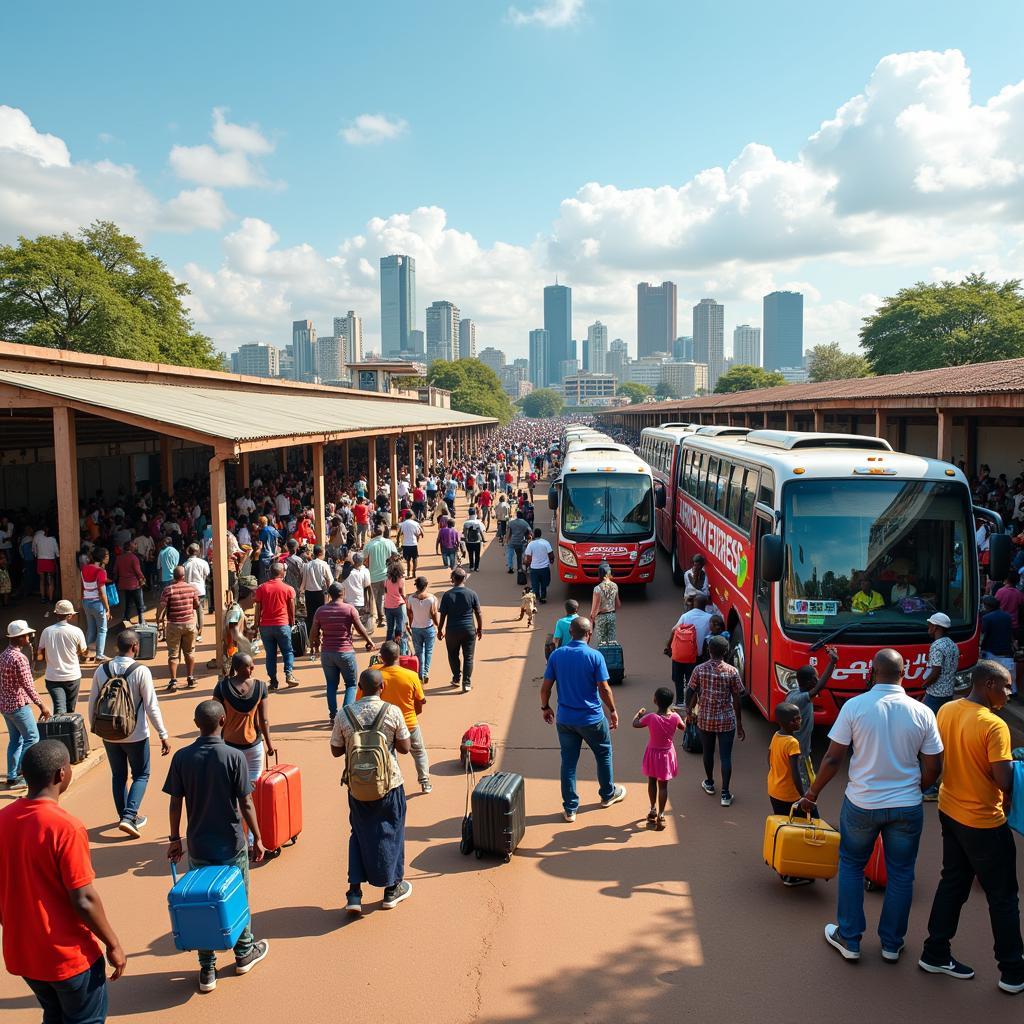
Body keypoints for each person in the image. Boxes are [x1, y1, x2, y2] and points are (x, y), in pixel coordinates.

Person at [798, 648, 943, 964]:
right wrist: (912, 790)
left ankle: (849, 938)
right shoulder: (923, 712)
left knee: (851, 864)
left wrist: (812, 793)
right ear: (904, 673)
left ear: (871, 673)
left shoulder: (855, 706)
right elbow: (934, 767)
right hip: (907, 807)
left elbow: (833, 757)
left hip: (862, 803)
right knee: (902, 873)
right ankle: (892, 944)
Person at [0, 740, 126, 1021]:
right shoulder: (65, 827)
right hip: (67, 958)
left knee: (53, 1014)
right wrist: (113, 943)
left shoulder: (3, 820)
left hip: (23, 955)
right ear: (61, 774)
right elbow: (83, 898)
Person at [918, 661, 1024, 992]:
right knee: (1004, 897)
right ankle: (1013, 972)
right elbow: (1004, 779)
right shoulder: (995, 726)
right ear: (988, 684)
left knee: (953, 882)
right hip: (984, 822)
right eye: (1006, 686)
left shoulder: (948, 710)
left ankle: (935, 951)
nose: (1010, 692)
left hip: (950, 811)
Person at [165, 699, 269, 993]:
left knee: (202, 902)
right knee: (237, 896)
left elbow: (175, 802)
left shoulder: (182, 758)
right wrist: (257, 837)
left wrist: (175, 839)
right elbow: (245, 801)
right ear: (223, 721)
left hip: (198, 844)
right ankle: (243, 953)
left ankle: (206, 968)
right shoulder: (234, 756)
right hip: (231, 842)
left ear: (197, 724)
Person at [330, 668, 412, 915]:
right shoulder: (392, 711)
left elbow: (335, 750)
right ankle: (391, 889)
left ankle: (354, 893)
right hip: (389, 784)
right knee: (392, 831)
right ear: (382, 688)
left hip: (357, 787)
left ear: (360, 688)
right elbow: (406, 747)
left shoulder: (345, 714)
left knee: (358, 833)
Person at [540, 616, 626, 822]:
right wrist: (613, 710)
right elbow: (604, 689)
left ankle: (570, 809)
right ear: (589, 634)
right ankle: (607, 795)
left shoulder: (556, 655)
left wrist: (545, 707)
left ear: (570, 633)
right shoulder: (595, 656)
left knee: (568, 763)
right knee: (603, 754)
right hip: (592, 719)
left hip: (565, 719)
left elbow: (546, 688)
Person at [87, 629, 171, 839]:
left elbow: (92, 702)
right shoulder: (141, 671)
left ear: (118, 647)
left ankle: (125, 817)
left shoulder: (102, 669)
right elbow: (151, 706)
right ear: (135, 647)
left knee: (118, 776)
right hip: (135, 734)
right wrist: (162, 733)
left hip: (108, 733)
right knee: (141, 774)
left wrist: (96, 727)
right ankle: (130, 815)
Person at [360, 641, 430, 792]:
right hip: (409, 722)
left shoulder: (375, 674)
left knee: (389, 753)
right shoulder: (411, 675)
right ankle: (425, 781)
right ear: (399, 656)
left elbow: (361, 699)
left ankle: (394, 783)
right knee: (419, 751)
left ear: (381, 657)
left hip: (383, 724)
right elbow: (421, 700)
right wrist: (415, 713)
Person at [685, 635, 745, 807]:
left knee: (708, 752)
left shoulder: (699, 669)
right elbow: (737, 696)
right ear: (726, 652)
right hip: (727, 719)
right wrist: (739, 723)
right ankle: (725, 793)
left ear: (708, 651)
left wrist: (689, 711)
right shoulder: (732, 671)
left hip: (705, 719)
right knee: (726, 757)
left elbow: (691, 690)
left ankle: (709, 783)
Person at [310, 582, 375, 721]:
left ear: (330, 594)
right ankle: (345, 716)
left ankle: (333, 715)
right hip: (345, 652)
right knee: (351, 684)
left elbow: (313, 631)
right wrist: (369, 641)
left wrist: (312, 645)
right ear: (343, 593)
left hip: (327, 653)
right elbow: (359, 628)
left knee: (331, 685)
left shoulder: (320, 611)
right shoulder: (349, 609)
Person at [213, 654, 274, 801]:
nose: (253, 667)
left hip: (229, 747)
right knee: (251, 790)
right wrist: (270, 746)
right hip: (253, 746)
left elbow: (214, 716)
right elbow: (264, 720)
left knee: (230, 788)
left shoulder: (221, 687)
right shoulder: (260, 687)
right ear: (239, 668)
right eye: (249, 665)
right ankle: (250, 819)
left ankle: (236, 819)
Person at [768, 703, 816, 886]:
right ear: (787, 723)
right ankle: (790, 872)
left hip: (774, 788)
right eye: (795, 719)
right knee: (796, 832)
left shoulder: (776, 736)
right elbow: (796, 772)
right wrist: (804, 795)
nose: (800, 720)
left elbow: (769, 758)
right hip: (789, 794)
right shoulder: (793, 742)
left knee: (783, 829)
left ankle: (781, 866)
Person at [1, 620, 50, 787]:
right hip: (18, 705)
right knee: (32, 737)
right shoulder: (19, 658)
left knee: (15, 740)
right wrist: (41, 705)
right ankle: (23, 774)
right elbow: (28, 685)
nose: (29, 637)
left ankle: (11, 775)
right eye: (27, 635)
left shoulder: (4, 655)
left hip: (5, 706)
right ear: (20, 638)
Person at [787, 645, 838, 790]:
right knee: (804, 784)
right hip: (799, 751)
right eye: (816, 677)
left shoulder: (793, 693)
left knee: (806, 779)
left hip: (801, 750)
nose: (818, 679)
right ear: (810, 682)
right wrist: (833, 662)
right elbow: (820, 686)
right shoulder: (802, 698)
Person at [632, 686, 682, 831]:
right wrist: (679, 715)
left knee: (652, 781)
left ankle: (652, 809)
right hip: (667, 754)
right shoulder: (674, 717)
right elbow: (683, 727)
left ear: (655, 700)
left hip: (653, 753)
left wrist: (639, 714)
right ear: (671, 702)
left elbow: (635, 724)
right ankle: (661, 815)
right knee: (664, 786)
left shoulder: (651, 717)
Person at [922, 611, 959, 798]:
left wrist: (923, 684)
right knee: (940, 739)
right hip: (947, 695)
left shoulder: (937, 645)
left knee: (925, 739)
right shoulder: (952, 645)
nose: (928, 627)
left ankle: (927, 789)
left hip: (934, 695)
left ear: (936, 627)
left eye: (930, 625)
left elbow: (935, 671)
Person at [36, 600, 88, 715]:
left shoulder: (47, 631)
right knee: (70, 710)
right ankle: (69, 732)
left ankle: (59, 731)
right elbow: (84, 653)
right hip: (73, 677)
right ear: (70, 615)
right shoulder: (77, 631)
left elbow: (39, 655)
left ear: (56, 614)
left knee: (59, 709)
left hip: (53, 678)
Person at [253, 562, 297, 693]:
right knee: (287, 651)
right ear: (282, 573)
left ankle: (273, 681)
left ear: (270, 573)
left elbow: (258, 609)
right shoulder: (288, 588)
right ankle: (289, 674)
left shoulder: (262, 588)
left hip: (265, 626)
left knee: (270, 655)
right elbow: (291, 607)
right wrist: (292, 622)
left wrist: (256, 625)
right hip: (283, 624)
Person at [438, 567, 483, 693]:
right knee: (468, 657)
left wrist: (440, 630)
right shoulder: (472, 594)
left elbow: (443, 615)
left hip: (452, 630)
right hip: (468, 629)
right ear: (465, 578)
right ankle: (466, 683)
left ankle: (456, 678)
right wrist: (479, 629)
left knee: (453, 655)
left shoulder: (447, 595)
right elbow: (478, 613)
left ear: (453, 579)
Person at [157, 565, 200, 692]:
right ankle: (190, 678)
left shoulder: (168, 589)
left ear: (174, 576)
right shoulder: (192, 588)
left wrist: (159, 619)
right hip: (189, 624)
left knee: (173, 654)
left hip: (173, 625)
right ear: (184, 576)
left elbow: (162, 606)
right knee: (190, 652)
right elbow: (197, 605)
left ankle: (173, 681)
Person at [666, 594, 714, 706]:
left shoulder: (685, 616)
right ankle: (691, 704)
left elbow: (674, 631)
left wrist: (669, 647)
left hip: (681, 654)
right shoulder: (709, 618)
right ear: (705, 605)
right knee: (692, 682)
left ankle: (679, 701)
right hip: (697, 657)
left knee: (678, 679)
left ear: (693, 604)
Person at [81, 547, 112, 664]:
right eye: (107, 555)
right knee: (102, 630)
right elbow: (101, 591)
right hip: (97, 603)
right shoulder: (101, 571)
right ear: (102, 558)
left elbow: (84, 586)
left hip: (86, 601)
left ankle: (86, 653)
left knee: (91, 629)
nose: (108, 557)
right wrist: (107, 609)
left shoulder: (84, 569)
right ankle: (99, 655)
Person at [364, 525, 399, 628]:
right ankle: (384, 618)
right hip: (386, 576)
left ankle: (376, 619)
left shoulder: (369, 545)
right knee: (384, 597)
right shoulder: (389, 542)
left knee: (373, 599)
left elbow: (363, 557)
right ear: (382, 533)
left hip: (373, 576)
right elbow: (395, 555)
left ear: (373, 533)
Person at [406, 576, 439, 684]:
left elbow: (409, 613)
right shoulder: (432, 598)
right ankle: (425, 673)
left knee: (419, 652)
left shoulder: (410, 598)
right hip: (429, 628)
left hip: (416, 628)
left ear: (417, 586)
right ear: (426, 585)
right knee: (428, 652)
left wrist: (411, 624)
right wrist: (438, 625)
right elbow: (434, 613)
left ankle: (420, 674)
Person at [300, 544, 334, 634]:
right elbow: (330, 580)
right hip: (321, 593)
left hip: (309, 593)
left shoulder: (307, 565)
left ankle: (312, 636)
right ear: (320, 553)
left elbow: (303, 580)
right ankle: (322, 634)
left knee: (311, 616)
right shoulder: (324, 565)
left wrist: (302, 591)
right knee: (322, 614)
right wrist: (329, 593)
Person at [112, 540, 146, 626]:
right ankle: (141, 621)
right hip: (134, 585)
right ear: (130, 547)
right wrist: (143, 579)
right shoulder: (134, 558)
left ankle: (126, 620)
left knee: (127, 603)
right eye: (134, 544)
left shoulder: (119, 558)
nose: (135, 545)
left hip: (123, 585)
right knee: (139, 604)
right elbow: (138, 571)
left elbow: (115, 571)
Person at [182, 543, 211, 640]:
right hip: (200, 590)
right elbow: (206, 574)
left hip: (188, 591)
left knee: (189, 612)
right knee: (200, 611)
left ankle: (190, 632)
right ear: (198, 552)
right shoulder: (203, 563)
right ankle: (199, 633)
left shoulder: (185, 565)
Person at [590, 562, 620, 646]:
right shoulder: (615, 586)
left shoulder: (597, 589)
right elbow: (618, 604)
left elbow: (595, 608)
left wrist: (592, 619)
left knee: (601, 643)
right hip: (612, 615)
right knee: (611, 641)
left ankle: (602, 658)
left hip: (600, 617)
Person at [383, 561, 408, 653]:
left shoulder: (386, 580)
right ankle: (400, 650)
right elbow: (403, 594)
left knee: (390, 629)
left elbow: (386, 591)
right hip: (399, 606)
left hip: (388, 606)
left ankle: (387, 650)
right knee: (399, 629)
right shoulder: (401, 580)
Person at [524, 527, 554, 603]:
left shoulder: (531, 544)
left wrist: (527, 566)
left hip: (534, 569)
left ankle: (537, 596)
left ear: (534, 534)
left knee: (535, 584)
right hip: (544, 568)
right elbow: (551, 554)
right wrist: (551, 561)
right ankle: (543, 597)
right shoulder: (546, 543)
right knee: (545, 583)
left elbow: (528, 557)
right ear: (540, 534)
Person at [397, 512, 423, 580]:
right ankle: (414, 573)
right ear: (411, 516)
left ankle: (408, 573)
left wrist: (397, 543)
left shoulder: (403, 524)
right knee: (415, 559)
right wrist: (417, 540)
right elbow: (418, 534)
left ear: (405, 516)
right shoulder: (415, 523)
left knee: (408, 560)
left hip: (405, 544)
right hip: (413, 543)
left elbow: (399, 533)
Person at [462, 507, 486, 573]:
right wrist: (483, 539)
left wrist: (466, 538)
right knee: (477, 555)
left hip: (469, 541)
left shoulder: (466, 523)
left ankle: (471, 567)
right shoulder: (478, 522)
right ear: (475, 513)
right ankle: (476, 567)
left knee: (470, 554)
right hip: (477, 541)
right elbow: (482, 531)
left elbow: (464, 532)